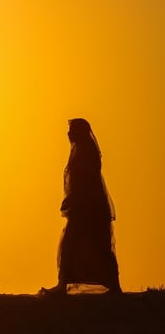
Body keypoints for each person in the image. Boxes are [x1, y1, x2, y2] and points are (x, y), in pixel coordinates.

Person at [41, 118, 121, 295]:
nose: (68, 133)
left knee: (96, 244)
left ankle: (113, 285)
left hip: (90, 208)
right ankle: (63, 284)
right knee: (73, 243)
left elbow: (87, 181)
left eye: (72, 130)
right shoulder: (79, 151)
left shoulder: (86, 153)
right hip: (82, 206)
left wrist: (76, 199)